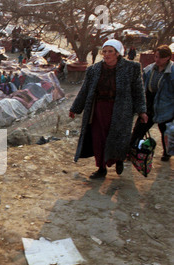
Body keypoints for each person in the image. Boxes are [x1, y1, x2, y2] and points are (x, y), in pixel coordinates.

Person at [69, 39, 147, 179]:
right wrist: (75, 108)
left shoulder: (132, 68)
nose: (107, 54)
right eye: (104, 51)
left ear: (118, 53)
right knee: (98, 138)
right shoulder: (94, 69)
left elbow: (138, 91)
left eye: (110, 51)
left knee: (118, 138)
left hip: (121, 110)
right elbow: (85, 90)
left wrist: (142, 110)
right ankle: (101, 168)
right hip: (98, 109)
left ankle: (118, 159)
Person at [130, 45, 174, 162]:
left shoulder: (172, 71)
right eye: (156, 57)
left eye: (160, 58)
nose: (157, 60)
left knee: (166, 131)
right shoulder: (149, 69)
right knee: (139, 129)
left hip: (165, 106)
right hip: (148, 102)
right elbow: (140, 85)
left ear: (168, 58)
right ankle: (130, 151)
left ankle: (167, 153)